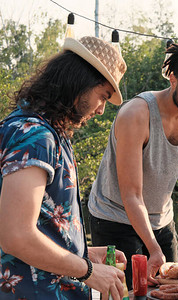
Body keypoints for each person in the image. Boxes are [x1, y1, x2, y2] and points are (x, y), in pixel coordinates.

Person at [88, 31, 178, 288]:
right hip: (115, 219)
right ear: (172, 79)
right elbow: (131, 193)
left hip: (162, 220)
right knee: (132, 293)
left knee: (171, 290)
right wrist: (152, 248)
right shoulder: (136, 114)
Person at [0, 36, 128, 299]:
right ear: (79, 82)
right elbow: (15, 236)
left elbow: (41, 225)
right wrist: (88, 270)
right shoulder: (35, 136)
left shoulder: (48, 133)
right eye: (102, 96)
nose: (102, 110)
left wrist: (82, 253)